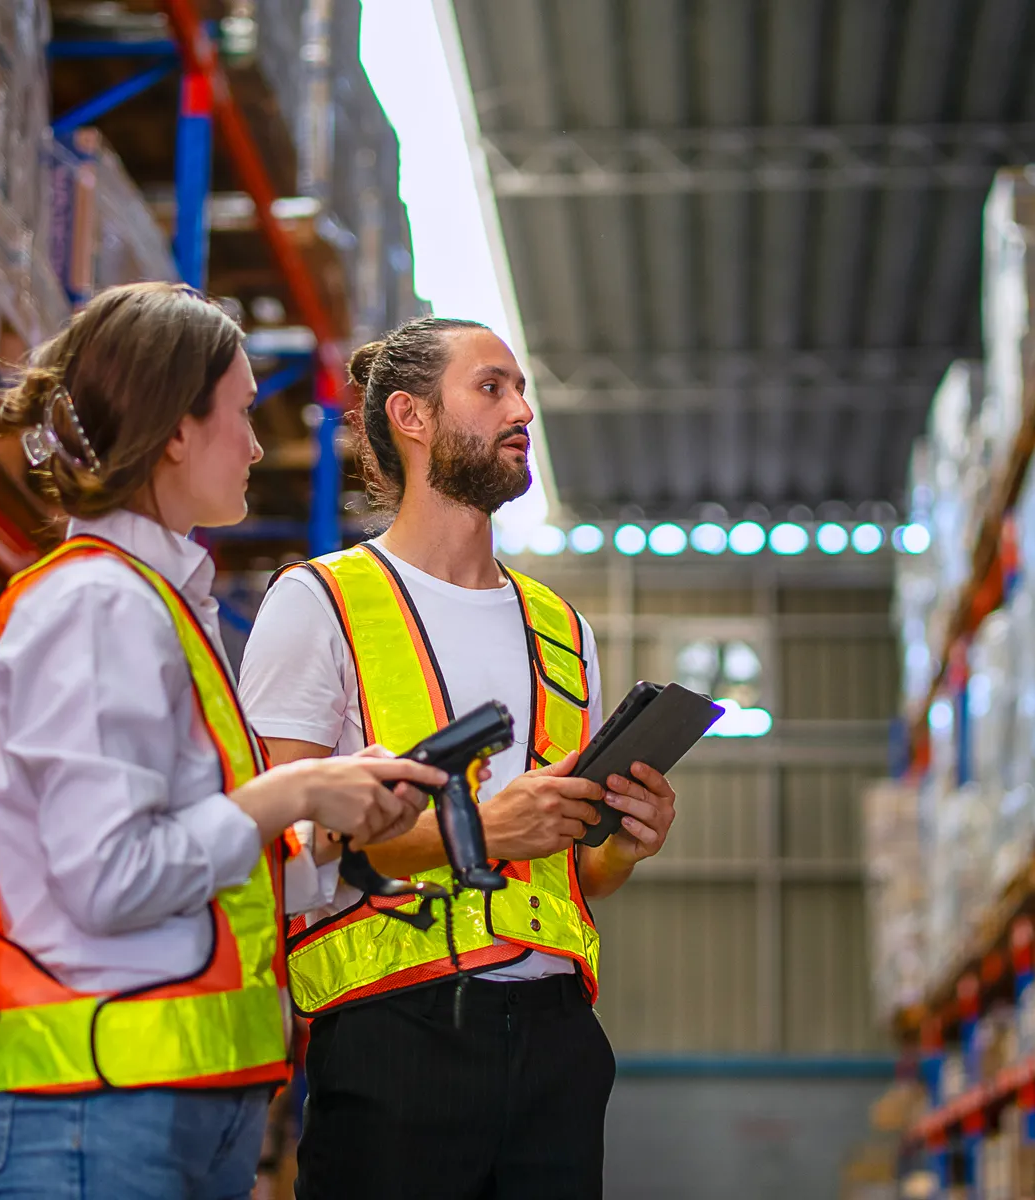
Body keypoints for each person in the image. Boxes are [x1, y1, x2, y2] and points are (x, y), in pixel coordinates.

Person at [0, 282, 444, 1200]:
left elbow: (200, 869)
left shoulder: (162, 607)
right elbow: (112, 879)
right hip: (99, 1117)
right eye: (243, 412)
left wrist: (333, 838)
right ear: (177, 429)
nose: (259, 445)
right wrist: (293, 793)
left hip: (174, 1113)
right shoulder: (99, 606)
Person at [238, 317, 681, 1200]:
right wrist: (474, 831)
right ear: (411, 416)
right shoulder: (319, 603)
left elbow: (578, 876)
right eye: (491, 388)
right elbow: (275, 849)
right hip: (393, 1033)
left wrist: (623, 840)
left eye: (521, 389)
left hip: (560, 1041)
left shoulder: (563, 628)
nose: (522, 409)